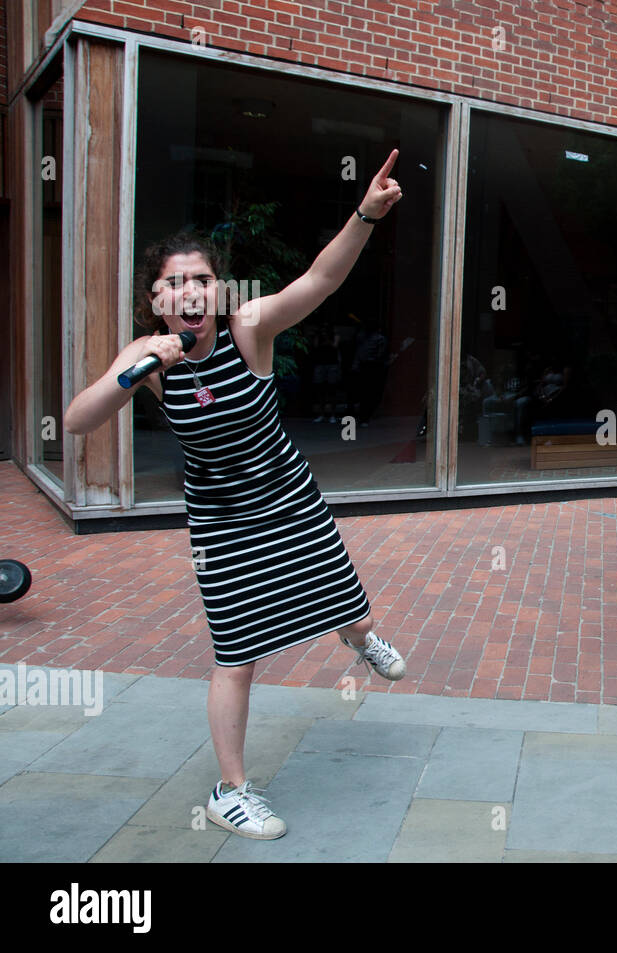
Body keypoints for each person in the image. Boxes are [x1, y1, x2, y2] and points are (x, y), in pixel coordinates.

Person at [64, 150, 409, 839]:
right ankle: (231, 790)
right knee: (236, 652)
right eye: (174, 283)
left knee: (341, 589)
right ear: (156, 299)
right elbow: (76, 419)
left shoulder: (248, 329)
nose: (190, 291)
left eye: (201, 278)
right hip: (220, 520)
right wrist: (136, 374)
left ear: (218, 290)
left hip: (285, 493)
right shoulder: (146, 356)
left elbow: (320, 279)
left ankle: (361, 634)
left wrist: (366, 213)